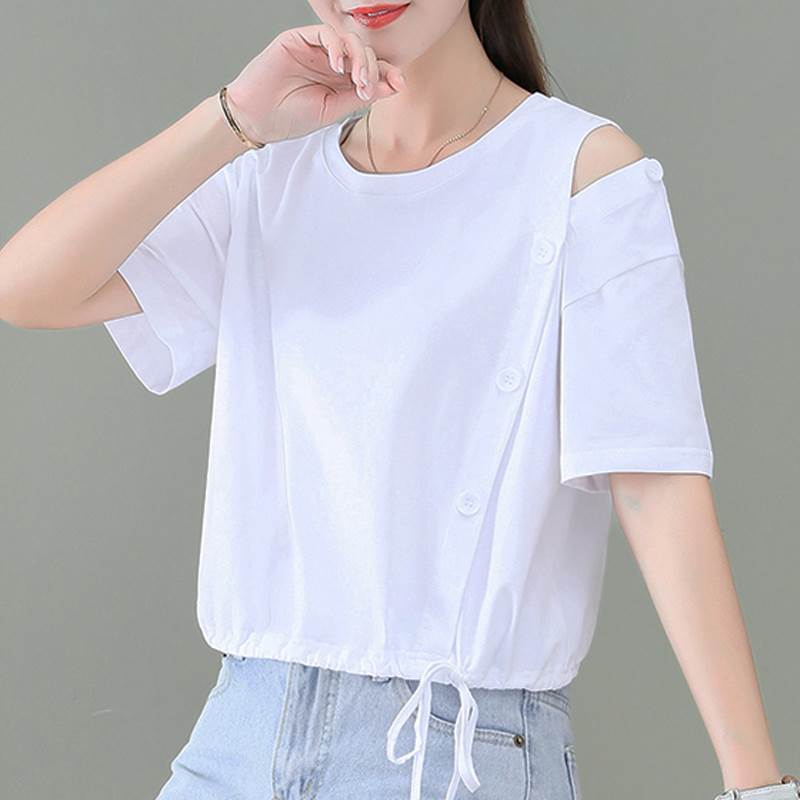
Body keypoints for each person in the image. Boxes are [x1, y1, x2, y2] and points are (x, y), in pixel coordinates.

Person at [0, 2, 796, 799]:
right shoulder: (272, 173)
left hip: (452, 754)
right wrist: (235, 119)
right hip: (240, 736)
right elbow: (28, 288)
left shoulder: (580, 174)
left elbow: (654, 480)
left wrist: (757, 787)